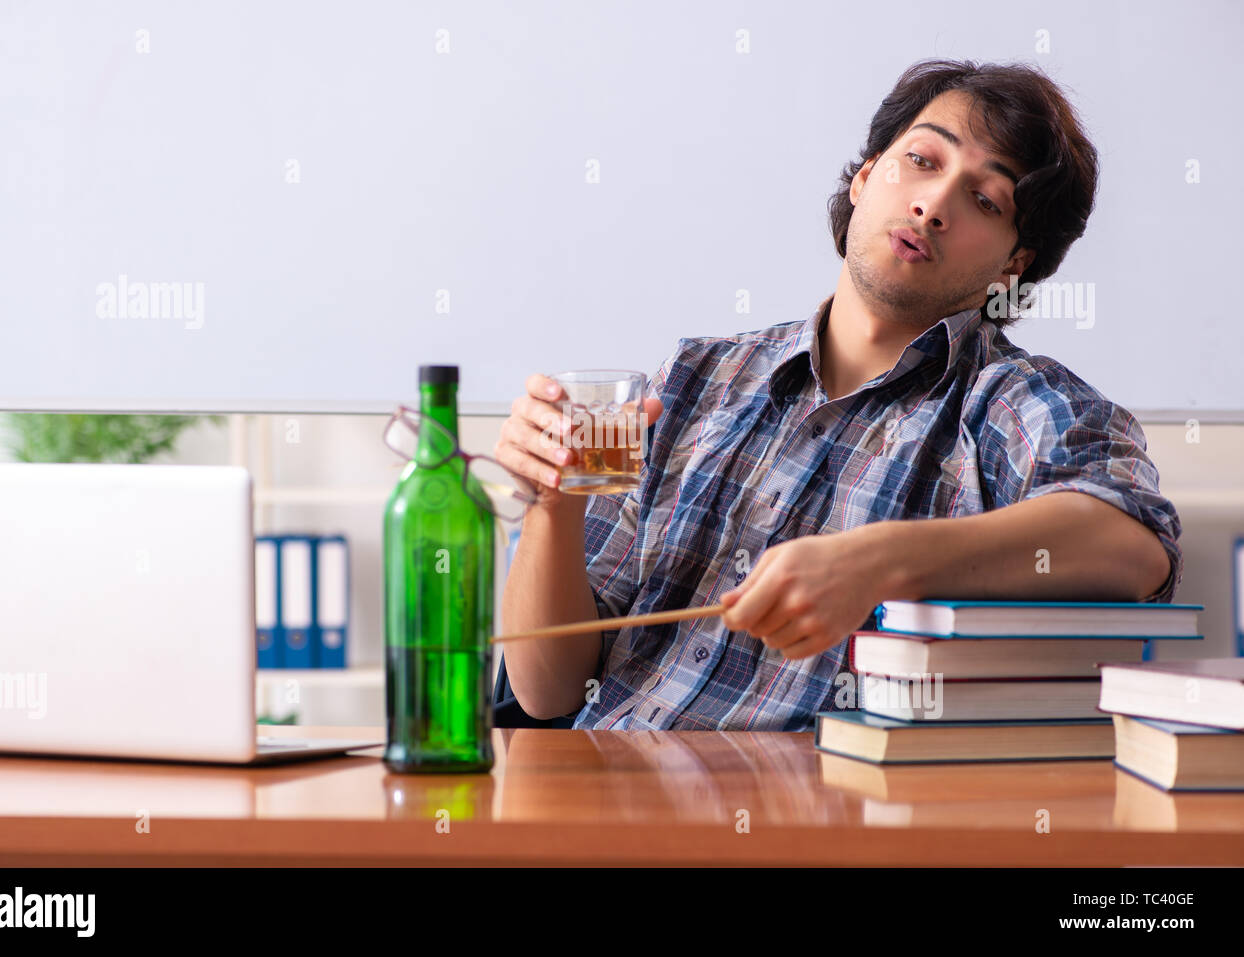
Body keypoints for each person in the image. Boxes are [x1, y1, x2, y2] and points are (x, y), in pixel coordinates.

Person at [493, 58, 1182, 731]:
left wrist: (880, 560)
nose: (934, 204)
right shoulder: (689, 379)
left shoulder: (1012, 402)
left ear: (1013, 264)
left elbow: (1136, 544)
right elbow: (550, 691)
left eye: (984, 200)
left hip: (816, 822)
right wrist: (553, 512)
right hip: (596, 803)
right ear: (863, 178)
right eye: (922, 160)